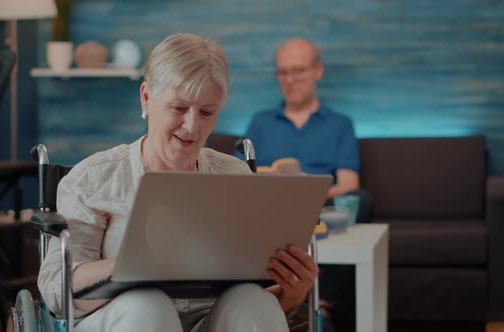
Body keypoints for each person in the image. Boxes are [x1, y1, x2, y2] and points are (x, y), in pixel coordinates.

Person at [38, 33, 319, 332]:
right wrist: (137, 265)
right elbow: (56, 291)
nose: (192, 126)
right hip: (124, 320)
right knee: (147, 305)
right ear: (146, 98)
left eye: (207, 112)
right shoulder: (93, 178)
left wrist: (290, 294)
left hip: (206, 323)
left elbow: (248, 303)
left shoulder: (234, 176)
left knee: (253, 301)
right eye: (179, 108)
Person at [244, 38, 360, 199]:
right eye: (283, 72)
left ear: (318, 70)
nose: (290, 80)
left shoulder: (340, 124)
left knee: (363, 199)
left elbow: (349, 186)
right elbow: (237, 177)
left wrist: (306, 191)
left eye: (298, 70)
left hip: (320, 208)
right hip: (266, 206)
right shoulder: (260, 122)